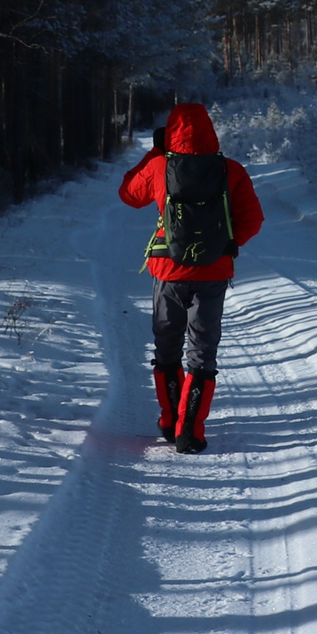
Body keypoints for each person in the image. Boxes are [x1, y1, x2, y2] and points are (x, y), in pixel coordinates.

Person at [120, 101, 263, 452]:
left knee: (167, 347)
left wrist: (155, 152)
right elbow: (253, 220)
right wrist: (224, 245)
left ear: (171, 133)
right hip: (213, 273)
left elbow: (128, 195)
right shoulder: (231, 170)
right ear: (211, 132)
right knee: (202, 352)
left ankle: (170, 422)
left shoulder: (160, 166)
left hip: (168, 271)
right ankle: (190, 432)